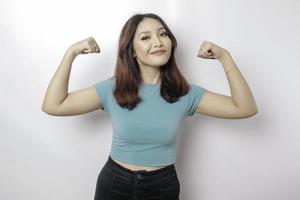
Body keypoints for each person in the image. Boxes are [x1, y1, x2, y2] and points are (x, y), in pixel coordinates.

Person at [41, 13, 258, 200]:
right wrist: (71, 54)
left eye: (163, 34)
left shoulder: (186, 93)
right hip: (115, 183)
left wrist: (225, 58)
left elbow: (245, 108)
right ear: (132, 51)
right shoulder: (113, 89)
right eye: (146, 37)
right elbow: (53, 105)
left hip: (162, 186)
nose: (158, 42)